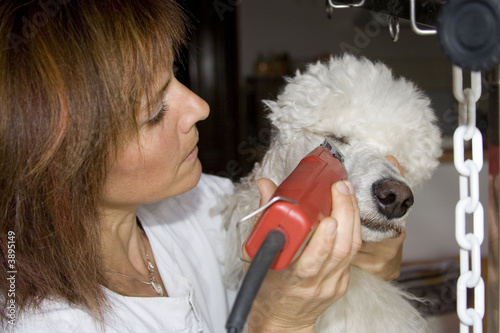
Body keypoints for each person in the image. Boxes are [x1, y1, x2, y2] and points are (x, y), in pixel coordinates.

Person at [0, 1, 405, 332]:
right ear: (66, 165)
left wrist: (376, 261)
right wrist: (280, 323)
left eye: (174, 75)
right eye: (156, 111)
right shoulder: (46, 323)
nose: (200, 106)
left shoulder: (200, 205)